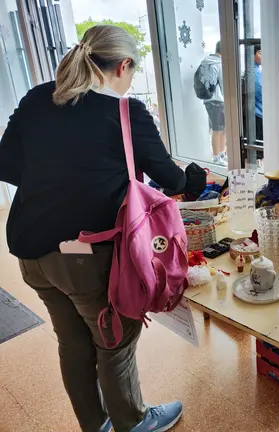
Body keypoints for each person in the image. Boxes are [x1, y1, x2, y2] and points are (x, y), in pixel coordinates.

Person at [0, 25, 186, 432]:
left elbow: (7, 165)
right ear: (123, 66)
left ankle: (95, 425)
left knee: (73, 342)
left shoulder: (37, 98)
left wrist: (60, 181)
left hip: (29, 250)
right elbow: (170, 179)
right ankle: (134, 423)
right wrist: (197, 180)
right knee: (114, 342)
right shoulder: (127, 112)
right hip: (82, 257)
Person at [198, 41, 226, 166]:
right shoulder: (219, 63)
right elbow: (224, 84)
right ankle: (217, 156)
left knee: (219, 128)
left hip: (208, 99)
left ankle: (220, 154)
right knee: (218, 129)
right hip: (218, 99)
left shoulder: (206, 61)